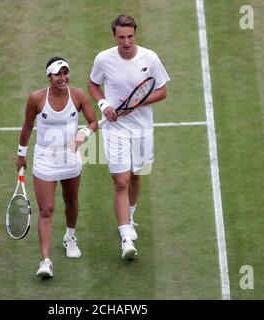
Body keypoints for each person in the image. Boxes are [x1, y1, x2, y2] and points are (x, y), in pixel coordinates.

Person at [87, 15, 170, 260]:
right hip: (116, 129)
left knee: (136, 176)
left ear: (135, 35)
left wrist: (138, 102)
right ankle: (125, 236)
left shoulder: (150, 58)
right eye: (121, 37)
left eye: (130, 36)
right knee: (121, 180)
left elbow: (162, 91)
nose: (126, 41)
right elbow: (93, 84)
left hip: (142, 129)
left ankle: (130, 215)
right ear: (114, 36)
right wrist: (103, 105)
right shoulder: (104, 59)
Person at [17, 57, 98, 278]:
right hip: (45, 159)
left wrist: (84, 133)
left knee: (71, 200)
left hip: (70, 157)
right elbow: (27, 127)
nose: (63, 78)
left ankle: (69, 237)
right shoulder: (36, 99)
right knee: (46, 209)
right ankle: (45, 261)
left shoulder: (79, 95)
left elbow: (93, 122)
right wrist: (21, 155)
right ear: (49, 77)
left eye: (66, 73)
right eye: (58, 74)